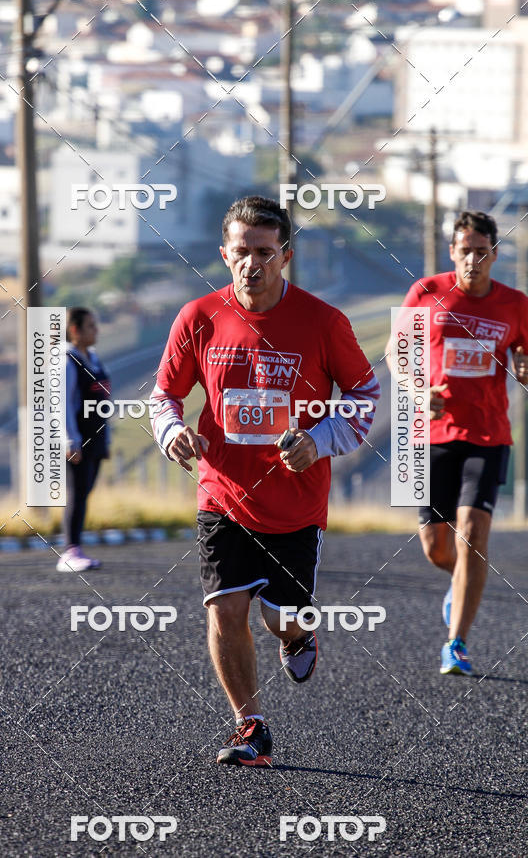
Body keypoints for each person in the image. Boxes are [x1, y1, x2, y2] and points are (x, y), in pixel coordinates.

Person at [150, 196, 380, 766]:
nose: (252, 263)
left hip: (295, 504)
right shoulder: (198, 317)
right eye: (241, 252)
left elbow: (365, 397)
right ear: (225, 255)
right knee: (224, 608)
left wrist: (319, 440)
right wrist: (171, 432)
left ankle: (299, 637)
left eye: (264, 252)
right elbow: (164, 397)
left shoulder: (324, 322)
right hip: (222, 493)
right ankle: (249, 727)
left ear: (285, 257)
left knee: (280, 618)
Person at [387, 210, 528, 675]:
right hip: (426, 433)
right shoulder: (425, 292)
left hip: (488, 435)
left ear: (494, 254)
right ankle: (462, 586)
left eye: (481, 251)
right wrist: (415, 391)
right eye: (464, 250)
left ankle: (457, 644)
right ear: (452, 252)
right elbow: (395, 352)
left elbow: (525, 356)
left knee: (473, 534)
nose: (472, 260)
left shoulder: (514, 304)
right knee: (436, 548)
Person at [58, 307, 110, 573]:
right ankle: (70, 551)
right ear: (75, 330)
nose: (96, 330)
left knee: (84, 493)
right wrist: (70, 440)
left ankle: (75, 548)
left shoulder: (95, 358)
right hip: (78, 440)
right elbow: (63, 404)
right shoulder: (67, 360)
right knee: (76, 494)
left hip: (97, 438)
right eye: (91, 326)